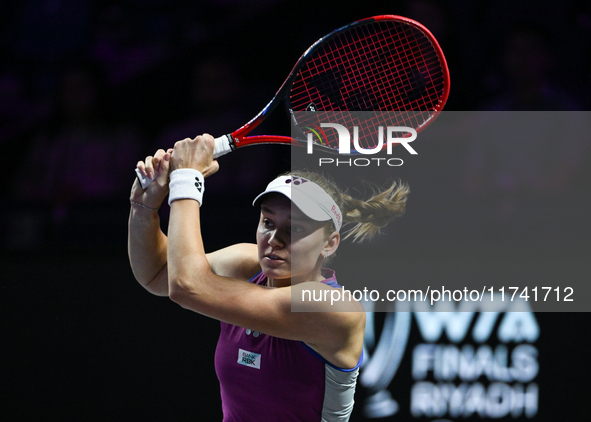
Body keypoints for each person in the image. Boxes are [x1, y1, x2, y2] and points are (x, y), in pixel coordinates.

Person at [128, 134, 409, 421]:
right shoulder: (246, 264)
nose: (274, 239)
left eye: (295, 229)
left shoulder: (332, 307)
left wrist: (186, 180)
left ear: (330, 243)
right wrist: (144, 207)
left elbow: (186, 286)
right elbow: (159, 274)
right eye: (268, 222)